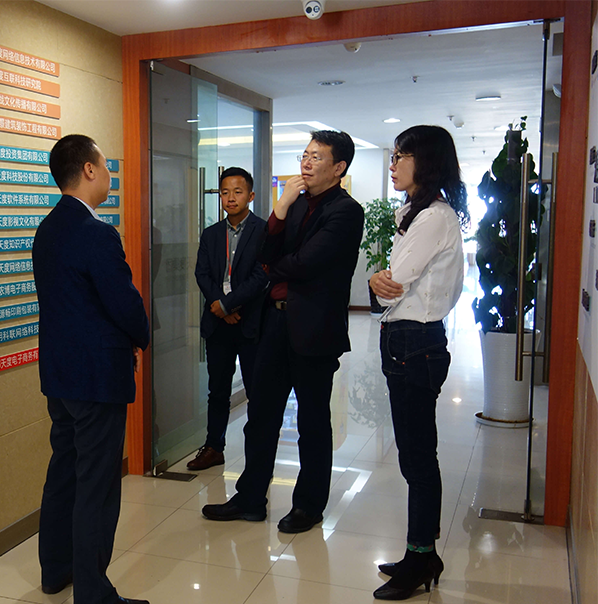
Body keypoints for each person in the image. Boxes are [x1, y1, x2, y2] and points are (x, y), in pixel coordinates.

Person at [202, 130, 364, 534]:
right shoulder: (295, 204)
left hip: (314, 329)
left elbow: (306, 263)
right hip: (274, 323)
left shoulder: (346, 211)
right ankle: (250, 498)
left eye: (317, 157)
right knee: (261, 416)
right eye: (304, 155)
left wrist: (274, 268)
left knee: (312, 422)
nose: (306, 163)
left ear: (339, 167)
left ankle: (308, 506)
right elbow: (264, 252)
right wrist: (279, 209)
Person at [33, 134, 151, 604]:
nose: (108, 174)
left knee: (64, 471)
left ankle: (56, 570)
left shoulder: (48, 228)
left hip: (60, 376)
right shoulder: (96, 232)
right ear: (87, 169)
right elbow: (122, 302)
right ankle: (93, 593)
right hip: (97, 378)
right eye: (104, 165)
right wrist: (141, 336)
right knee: (97, 486)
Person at [368, 125, 468, 600]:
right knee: (412, 455)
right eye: (392, 157)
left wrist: (378, 279)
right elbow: (387, 283)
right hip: (405, 339)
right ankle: (420, 553)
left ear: (425, 161)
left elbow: (395, 283)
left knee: (418, 458)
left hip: (415, 341)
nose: (393, 166)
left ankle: (422, 556)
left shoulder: (432, 218)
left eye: (400, 157)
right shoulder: (416, 212)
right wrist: (378, 279)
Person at [188, 167, 269, 471]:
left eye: (237, 191)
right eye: (225, 192)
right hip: (218, 324)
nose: (230, 197)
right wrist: (219, 306)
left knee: (257, 392)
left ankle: (257, 455)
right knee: (218, 391)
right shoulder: (211, 234)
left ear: (250, 195)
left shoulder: (264, 231)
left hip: (249, 323)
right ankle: (214, 447)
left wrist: (228, 304)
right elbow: (202, 273)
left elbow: (261, 276)